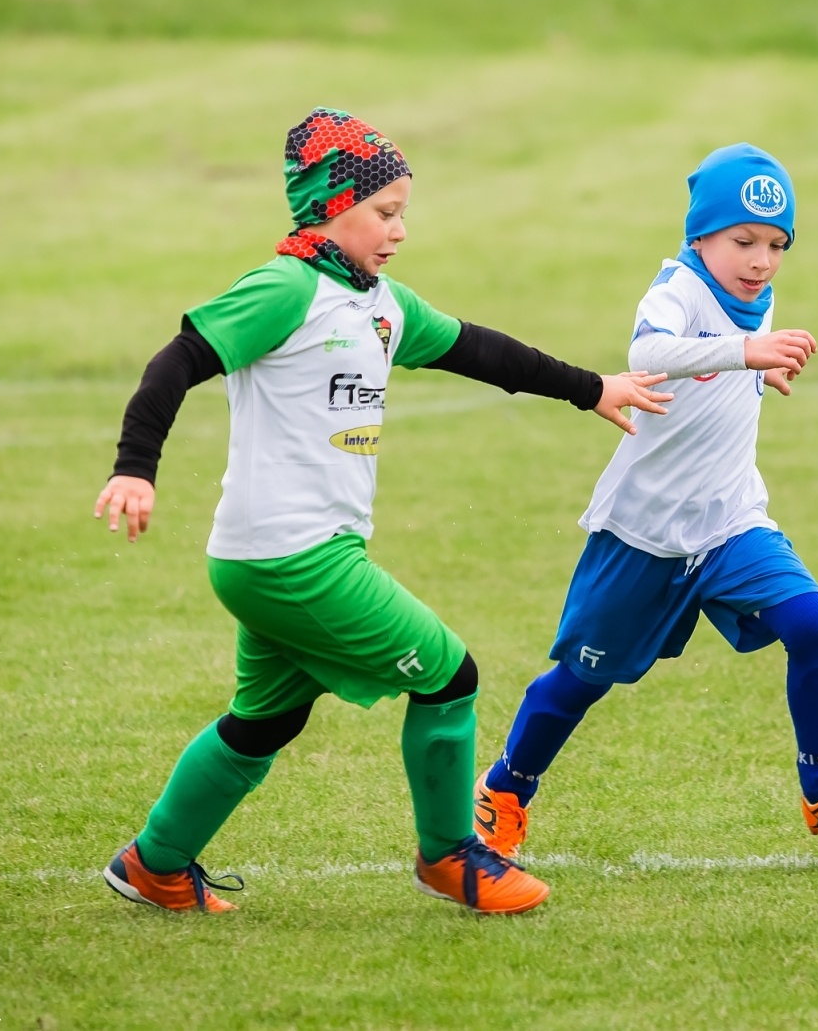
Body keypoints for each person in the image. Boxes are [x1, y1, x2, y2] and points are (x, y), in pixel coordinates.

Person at [93, 107, 671, 915]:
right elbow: (178, 360)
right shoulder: (287, 288)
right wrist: (135, 468)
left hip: (277, 557)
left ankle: (153, 864)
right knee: (450, 675)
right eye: (384, 211)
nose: (399, 230)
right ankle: (450, 856)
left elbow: (481, 350)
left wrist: (591, 387)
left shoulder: (381, 303)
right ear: (330, 208)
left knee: (264, 723)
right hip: (292, 558)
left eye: (403, 212)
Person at [473, 143, 818, 863]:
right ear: (700, 235)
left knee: (814, 624)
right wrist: (746, 354)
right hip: (644, 531)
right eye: (744, 241)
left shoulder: (756, 297)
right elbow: (649, 354)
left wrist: (756, 372)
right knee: (581, 679)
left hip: (730, 520)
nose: (761, 261)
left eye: (777, 246)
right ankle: (506, 788)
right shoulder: (676, 287)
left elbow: (728, 364)